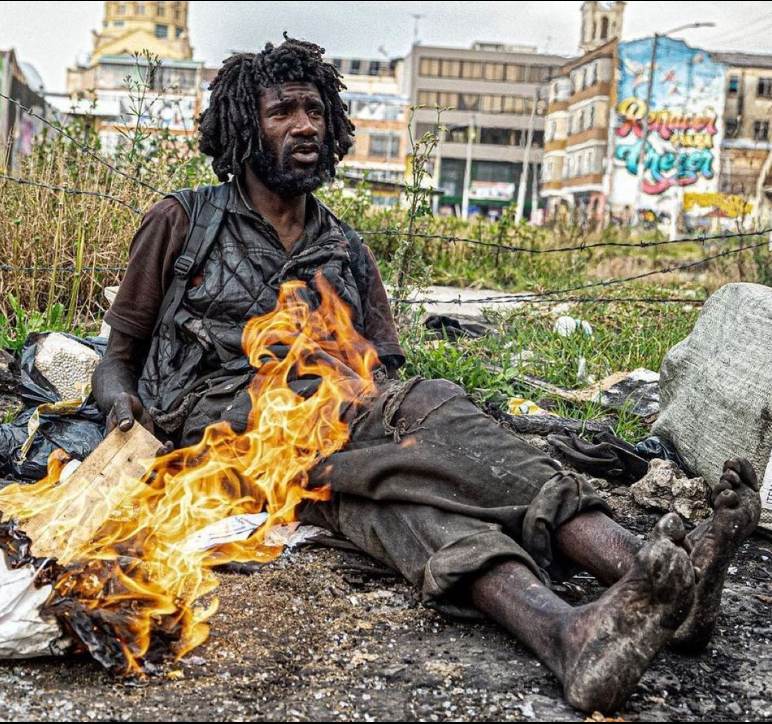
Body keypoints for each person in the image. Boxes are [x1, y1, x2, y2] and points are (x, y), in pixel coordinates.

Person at [92, 36, 761, 713]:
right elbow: (116, 359)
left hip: (328, 463)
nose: (304, 126)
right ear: (242, 125)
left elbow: (376, 376)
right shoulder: (183, 221)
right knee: (429, 405)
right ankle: (634, 558)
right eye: (282, 112)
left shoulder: (344, 248)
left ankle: (569, 634)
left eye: (315, 111)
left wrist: (374, 417)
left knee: (407, 500)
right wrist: (121, 414)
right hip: (221, 440)